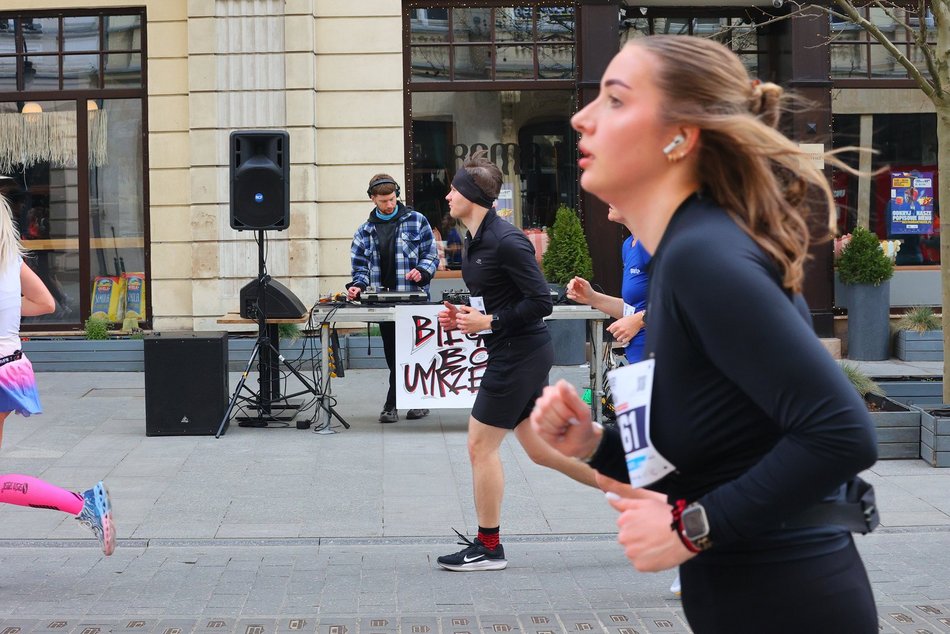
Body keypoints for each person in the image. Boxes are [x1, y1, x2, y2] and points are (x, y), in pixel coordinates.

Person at [529, 35, 878, 632]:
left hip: (789, 604)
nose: (580, 118)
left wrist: (691, 528)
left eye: (614, 100)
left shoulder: (703, 256)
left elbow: (843, 433)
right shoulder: (686, 253)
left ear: (680, 137)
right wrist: (596, 444)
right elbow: (711, 457)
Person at [435, 153, 597, 572]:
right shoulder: (474, 240)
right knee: (542, 452)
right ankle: (628, 489)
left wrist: (489, 320)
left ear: (471, 195)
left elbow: (542, 300)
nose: (447, 194)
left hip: (520, 353)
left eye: (454, 188)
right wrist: (465, 319)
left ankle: (489, 547)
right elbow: (492, 303)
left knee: (479, 446)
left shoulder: (507, 240)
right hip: (509, 348)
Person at [0, 192, 116, 556]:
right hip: (11, 367)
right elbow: (46, 303)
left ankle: (82, 503)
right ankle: (83, 503)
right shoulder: (10, 260)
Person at [347, 174, 439, 424]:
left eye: (392, 199)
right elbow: (359, 266)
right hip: (382, 301)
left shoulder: (417, 221)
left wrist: (422, 270)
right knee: (392, 353)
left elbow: (431, 255)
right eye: (384, 200)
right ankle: (412, 401)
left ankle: (393, 404)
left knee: (413, 351)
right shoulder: (364, 230)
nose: (389, 204)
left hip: (414, 298)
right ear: (372, 199)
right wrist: (357, 286)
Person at [566, 206, 648, 365]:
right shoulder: (629, 245)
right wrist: (592, 297)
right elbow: (631, 309)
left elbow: (683, 300)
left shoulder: (653, 243)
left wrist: (641, 320)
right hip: (637, 358)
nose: (608, 200)